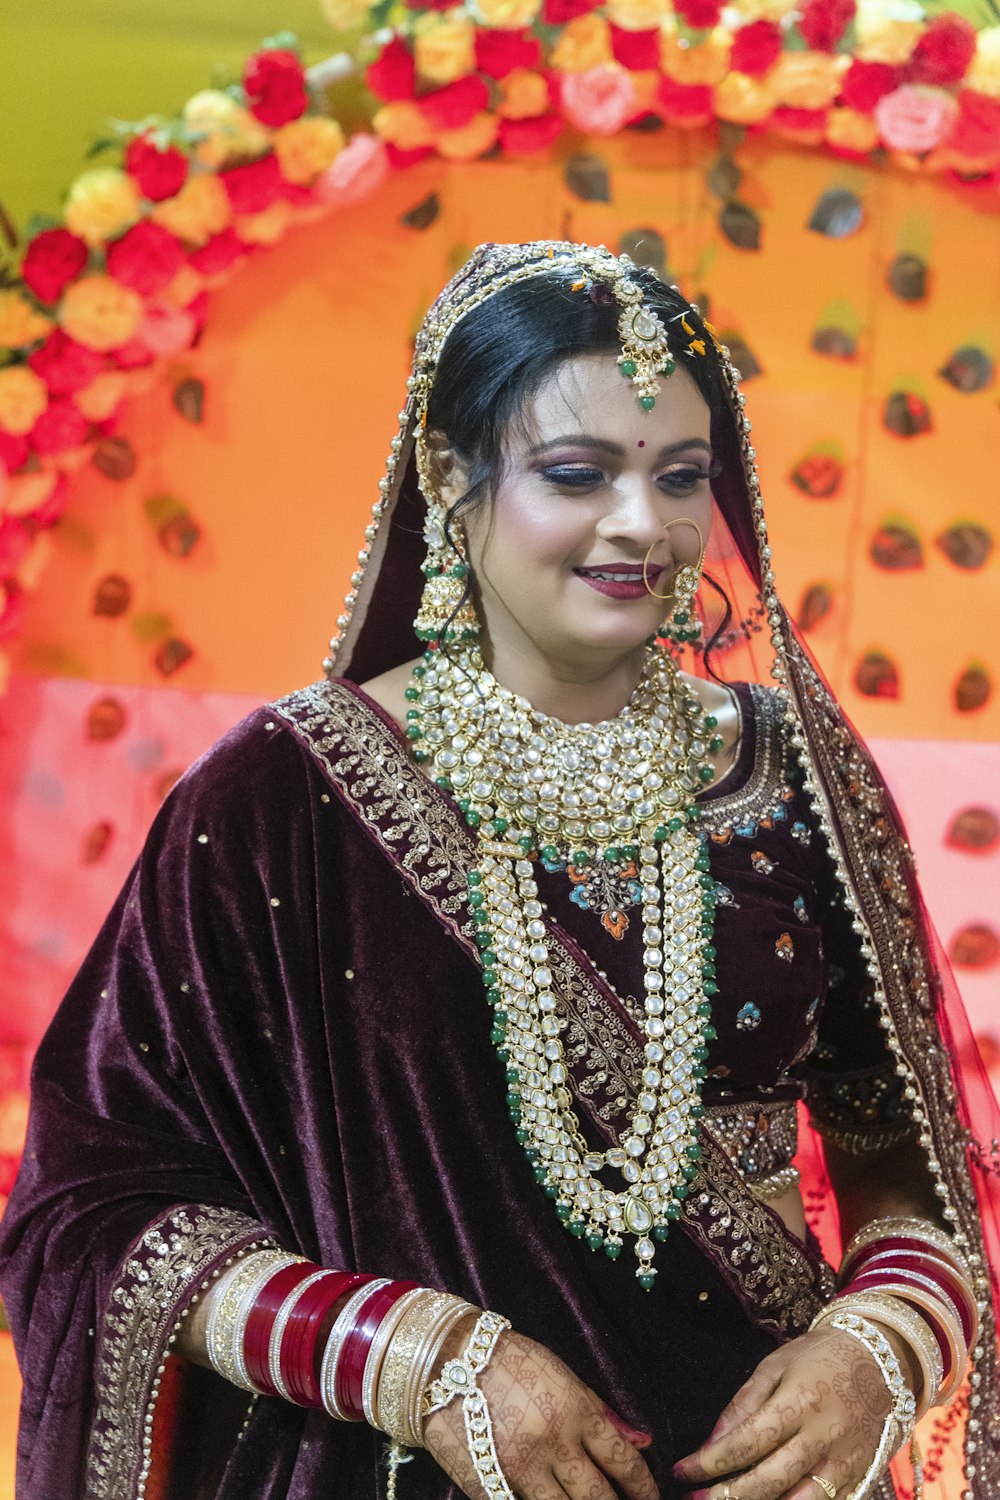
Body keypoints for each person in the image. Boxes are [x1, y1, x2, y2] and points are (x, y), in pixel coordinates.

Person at [0, 241, 997, 1500]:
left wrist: (881, 1346)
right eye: (577, 473)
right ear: (448, 477)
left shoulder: (794, 774)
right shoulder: (281, 802)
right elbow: (96, 1214)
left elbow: (900, 1150)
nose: (642, 525)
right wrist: (420, 1361)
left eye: (681, 476)